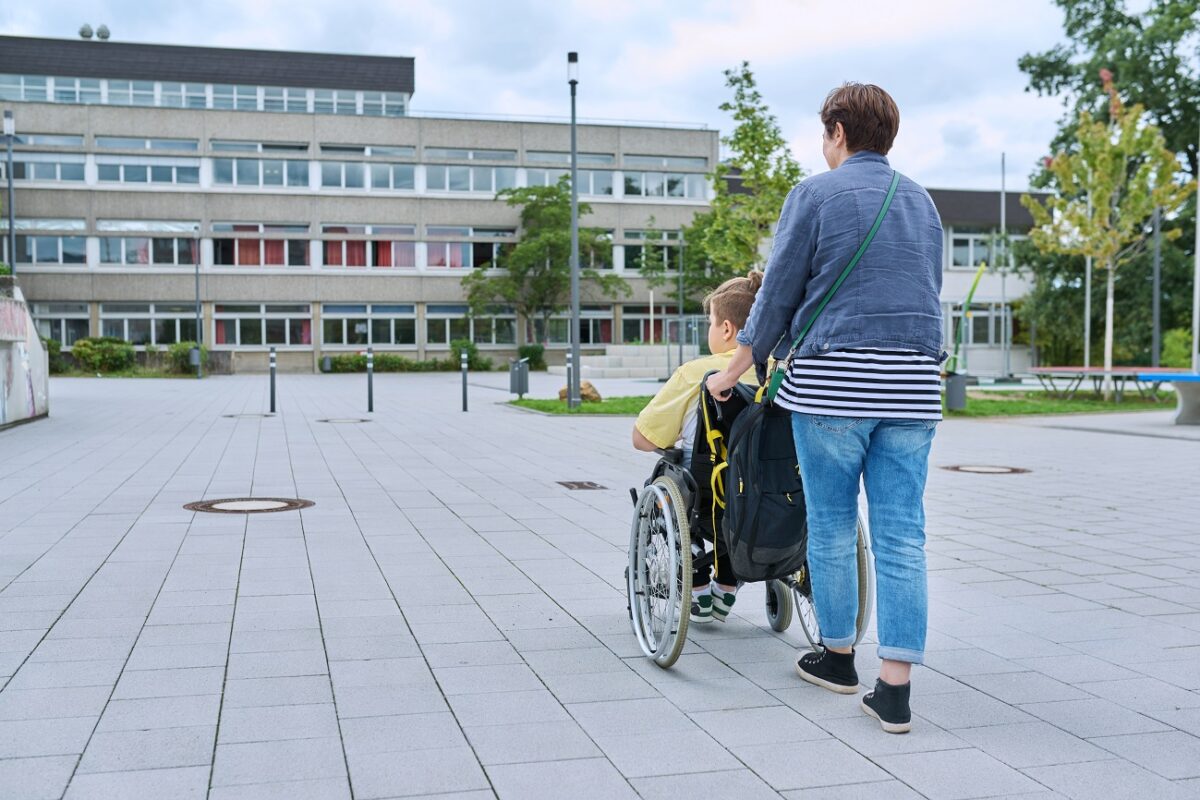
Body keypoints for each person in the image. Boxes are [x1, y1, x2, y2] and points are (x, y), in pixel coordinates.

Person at [706, 83, 944, 734]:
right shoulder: (921, 202)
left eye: (823, 133)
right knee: (902, 534)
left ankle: (838, 658)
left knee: (833, 527)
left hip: (833, 388)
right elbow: (932, 292)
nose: (822, 145)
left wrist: (731, 374)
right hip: (912, 390)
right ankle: (894, 689)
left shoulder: (813, 195)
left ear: (838, 130)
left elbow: (776, 295)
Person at [633, 271, 761, 624]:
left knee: (668, 478)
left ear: (726, 330)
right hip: (770, 491)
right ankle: (727, 582)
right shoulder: (777, 370)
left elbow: (642, 439)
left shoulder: (698, 372)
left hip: (706, 493)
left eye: (710, 322)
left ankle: (699, 580)